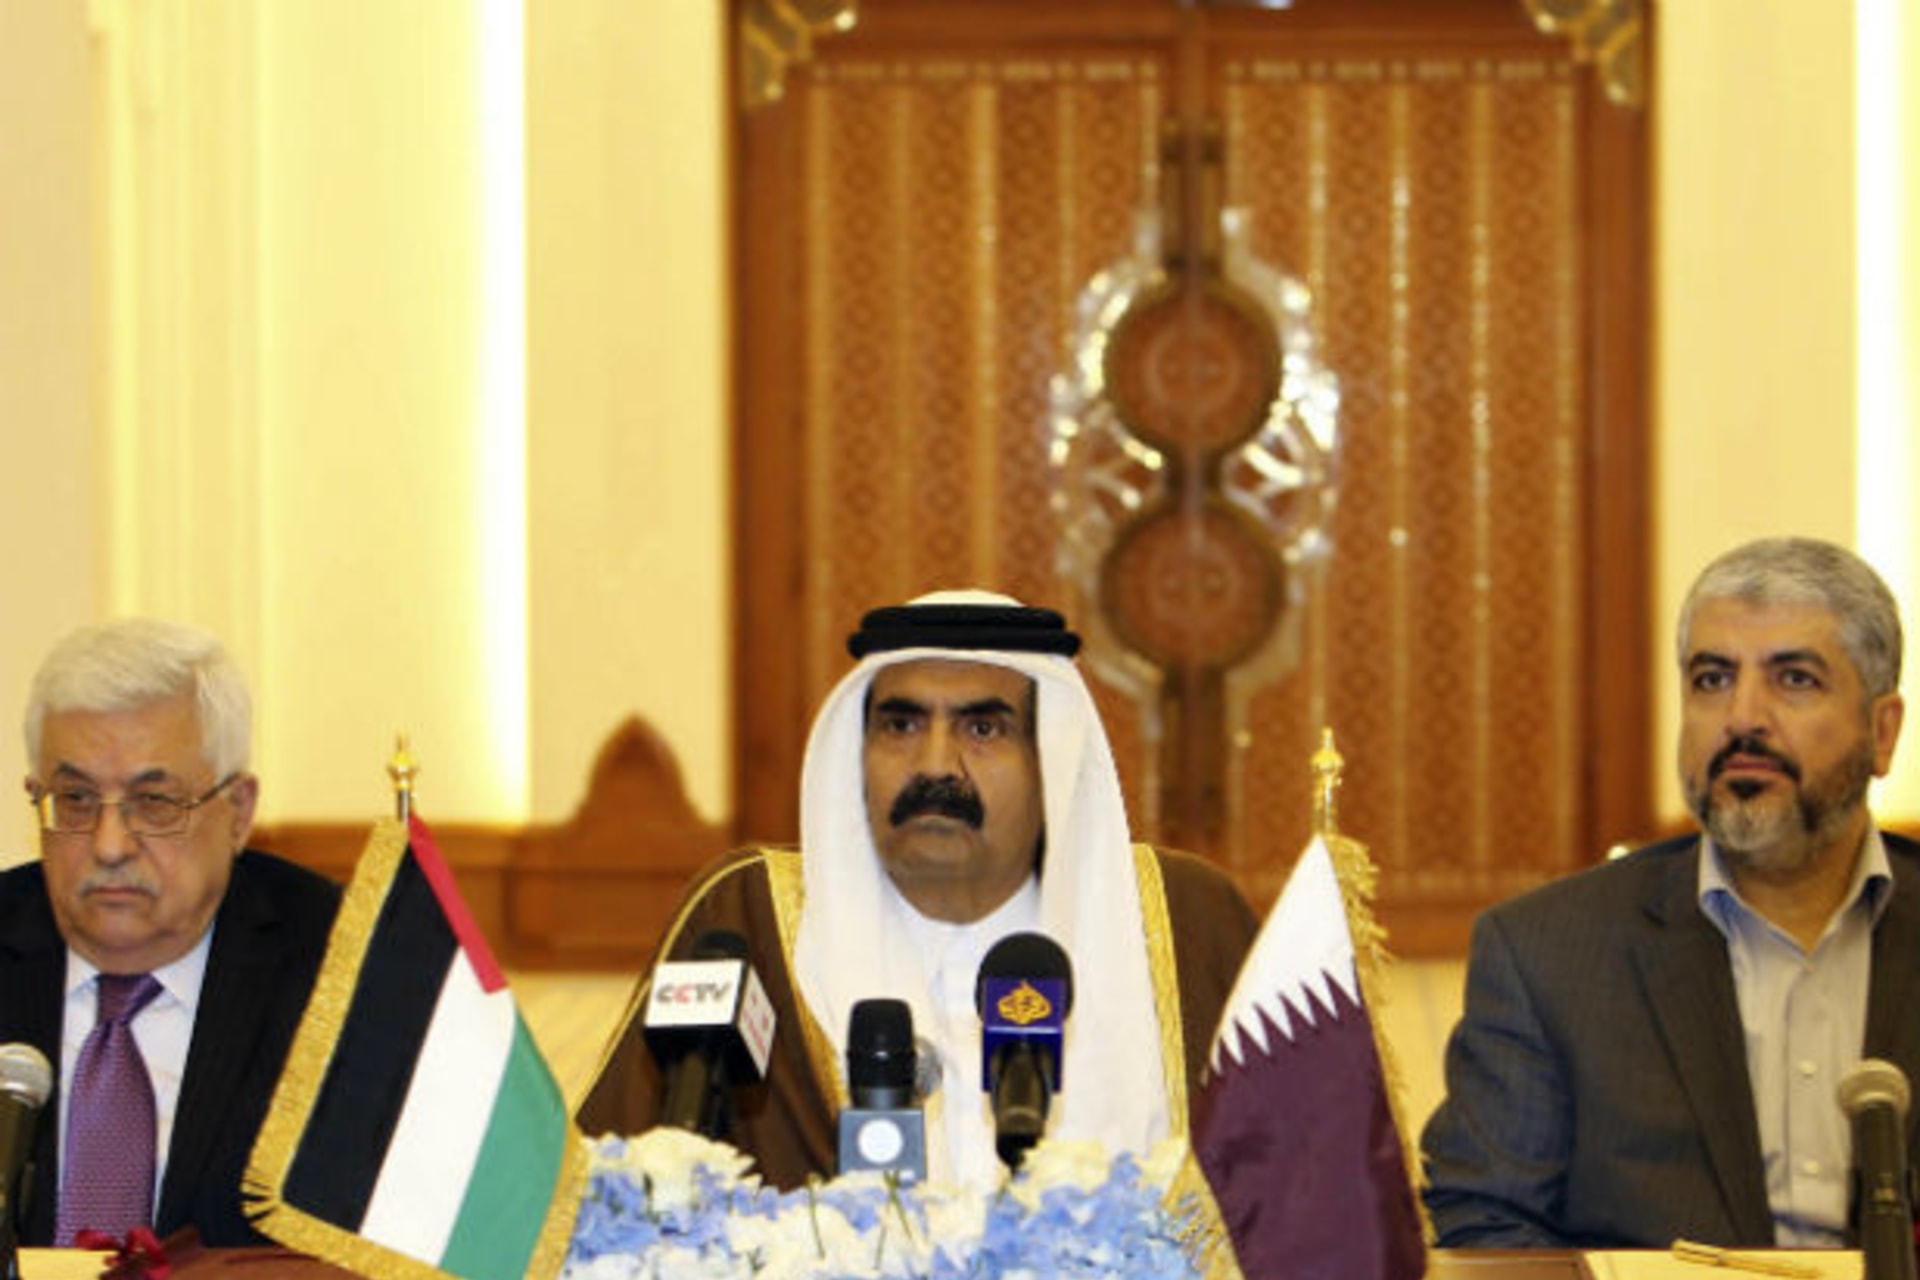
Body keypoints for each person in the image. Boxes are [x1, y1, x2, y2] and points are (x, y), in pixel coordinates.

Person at [578, 590, 1259, 1190]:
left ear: (1050, 758)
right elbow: (618, 1188)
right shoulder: (748, 913)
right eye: (900, 725)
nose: (935, 764)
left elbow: (1297, 1193)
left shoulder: (1185, 922)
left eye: (983, 729)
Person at [1421, 536, 1914, 1248]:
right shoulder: (1547, 956)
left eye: (1794, 679)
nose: (1743, 717)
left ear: (1882, 730)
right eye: (1712, 679)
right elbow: (1484, 1228)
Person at [1, 618, 340, 1247]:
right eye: (74, 799)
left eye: (154, 802)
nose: (108, 845)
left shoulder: (342, 973)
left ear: (237, 812)